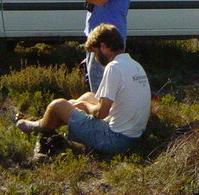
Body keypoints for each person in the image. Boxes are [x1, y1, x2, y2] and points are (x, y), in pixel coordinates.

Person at [15, 24, 151, 155]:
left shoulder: (113, 67)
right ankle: (57, 120)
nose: (96, 58)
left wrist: (84, 107)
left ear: (103, 46)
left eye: (95, 52)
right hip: (134, 136)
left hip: (115, 140)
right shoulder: (134, 64)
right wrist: (83, 104)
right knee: (88, 96)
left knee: (58, 105)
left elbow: (101, 113)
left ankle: (39, 126)